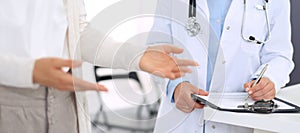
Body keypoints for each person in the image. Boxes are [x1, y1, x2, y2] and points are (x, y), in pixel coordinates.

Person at [0, 1, 199, 133]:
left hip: (64, 101)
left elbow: (77, 30)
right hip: (9, 103)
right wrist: (30, 71)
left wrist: (136, 56)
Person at [149, 0, 294, 132]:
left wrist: (269, 79)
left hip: (236, 120)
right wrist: (175, 87)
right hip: (181, 122)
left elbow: (279, 55)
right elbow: (156, 50)